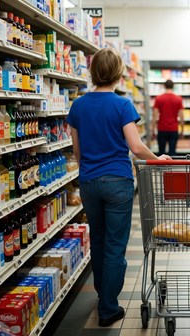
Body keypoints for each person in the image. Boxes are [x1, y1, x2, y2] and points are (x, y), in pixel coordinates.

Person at [66, 48, 171, 327]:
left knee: (98, 242)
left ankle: (104, 295)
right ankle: (109, 308)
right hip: (118, 182)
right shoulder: (122, 105)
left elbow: (76, 149)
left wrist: (88, 171)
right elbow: (135, 147)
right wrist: (157, 159)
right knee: (115, 246)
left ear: (93, 72)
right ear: (117, 73)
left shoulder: (77, 105)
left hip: (89, 181)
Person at [151, 79, 184, 156]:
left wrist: (153, 129)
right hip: (174, 129)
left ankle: (161, 168)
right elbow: (182, 116)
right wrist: (182, 130)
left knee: (161, 152)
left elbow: (154, 115)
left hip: (162, 128)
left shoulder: (159, 98)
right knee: (172, 153)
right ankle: (172, 167)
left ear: (164, 86)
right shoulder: (178, 99)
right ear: (173, 86)